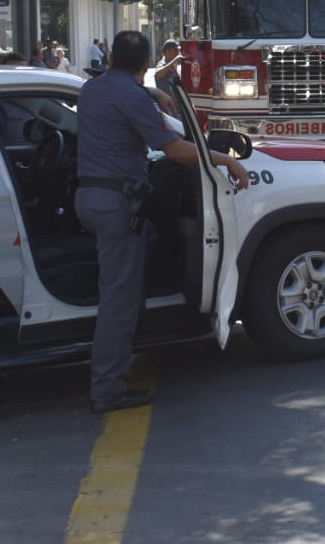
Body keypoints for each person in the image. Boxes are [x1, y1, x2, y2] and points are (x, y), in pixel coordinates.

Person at [75, 31, 249, 414]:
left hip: (89, 199)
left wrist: (153, 94)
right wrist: (227, 159)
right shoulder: (132, 96)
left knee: (149, 239)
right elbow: (172, 149)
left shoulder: (91, 90)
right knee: (117, 301)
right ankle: (108, 390)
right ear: (144, 64)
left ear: (111, 58)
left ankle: (144, 322)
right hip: (116, 205)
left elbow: (119, 94)